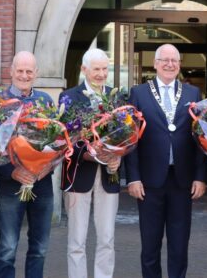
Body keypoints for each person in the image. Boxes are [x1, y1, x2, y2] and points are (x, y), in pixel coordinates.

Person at [125, 43, 207, 278]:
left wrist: (201, 177)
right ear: (156, 63)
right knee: (150, 245)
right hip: (149, 182)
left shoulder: (193, 94)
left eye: (174, 60)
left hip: (182, 181)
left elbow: (200, 139)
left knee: (179, 245)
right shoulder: (138, 93)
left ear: (179, 64)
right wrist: (133, 178)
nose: (170, 64)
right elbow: (131, 139)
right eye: (165, 60)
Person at [60, 48, 121, 278]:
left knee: (107, 238)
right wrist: (87, 153)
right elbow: (64, 139)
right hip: (78, 175)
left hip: (109, 175)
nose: (101, 74)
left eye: (105, 69)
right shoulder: (69, 97)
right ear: (84, 69)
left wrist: (117, 157)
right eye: (96, 69)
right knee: (77, 240)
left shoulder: (116, 98)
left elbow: (124, 135)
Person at [0, 51, 54, 278]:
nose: (24, 75)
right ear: (11, 72)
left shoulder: (45, 101)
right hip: (11, 183)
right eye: (20, 70)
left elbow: (56, 141)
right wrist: (12, 171)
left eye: (29, 71)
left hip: (42, 184)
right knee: (7, 248)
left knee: (40, 248)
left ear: (36, 74)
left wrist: (45, 168)